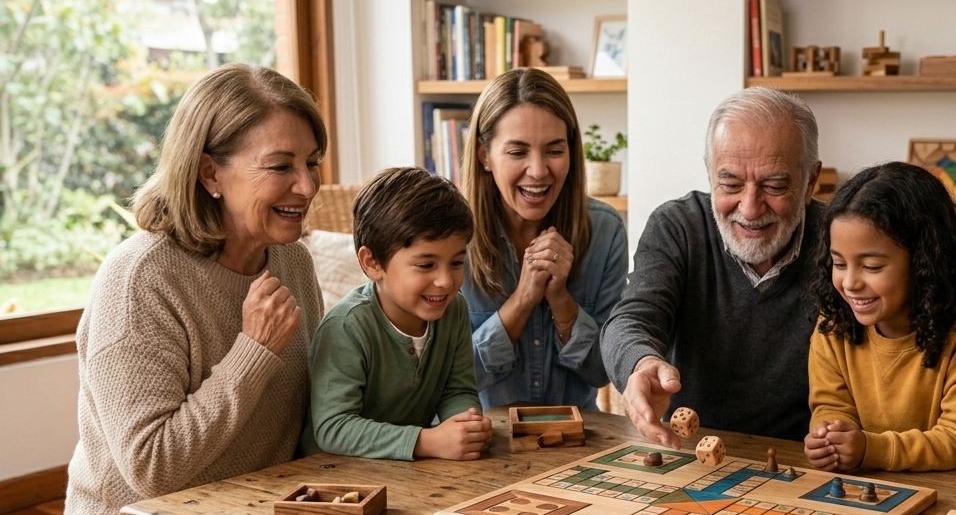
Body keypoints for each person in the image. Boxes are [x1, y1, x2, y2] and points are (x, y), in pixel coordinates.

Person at [61, 64, 405, 515]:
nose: (307, 187)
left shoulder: (292, 262)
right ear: (210, 173)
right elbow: (152, 471)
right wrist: (251, 353)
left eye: (311, 162)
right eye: (281, 166)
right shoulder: (138, 282)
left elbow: (310, 414)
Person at [601, 87, 823, 446]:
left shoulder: (840, 240)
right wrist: (641, 364)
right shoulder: (678, 226)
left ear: (810, 181)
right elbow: (631, 318)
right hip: (689, 450)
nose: (750, 208)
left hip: (804, 457)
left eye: (774, 185)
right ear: (709, 174)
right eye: (730, 183)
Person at [805, 162, 956, 472]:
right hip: (874, 490)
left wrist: (871, 448)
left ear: (924, 264)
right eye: (839, 264)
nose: (850, 283)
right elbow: (831, 404)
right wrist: (830, 436)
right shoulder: (833, 327)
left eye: (871, 267)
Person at [459, 68, 628, 411]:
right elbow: (449, 381)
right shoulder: (450, 236)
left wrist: (561, 301)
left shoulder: (605, 230)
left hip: (579, 441)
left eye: (554, 150)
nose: (538, 170)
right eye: (518, 152)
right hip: (479, 444)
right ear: (483, 155)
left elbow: (601, 372)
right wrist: (522, 300)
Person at [300, 167, 491, 460]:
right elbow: (333, 427)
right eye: (426, 265)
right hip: (335, 478)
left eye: (455, 262)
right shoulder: (347, 326)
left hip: (409, 474)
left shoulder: (454, 311)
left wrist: (466, 424)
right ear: (372, 262)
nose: (445, 281)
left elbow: (458, 390)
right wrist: (427, 442)